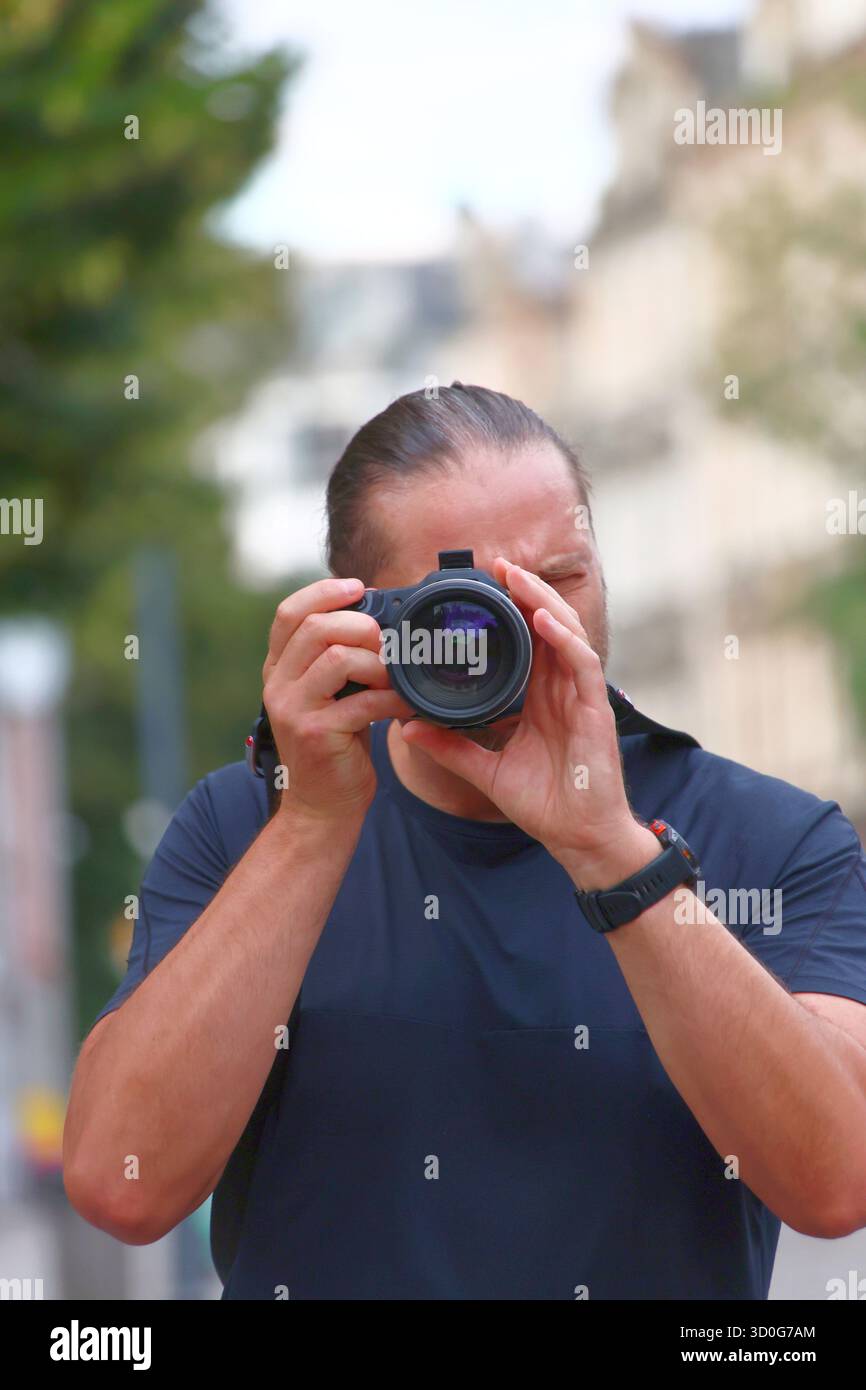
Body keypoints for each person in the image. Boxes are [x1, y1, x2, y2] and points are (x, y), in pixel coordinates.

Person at [64, 383, 866, 1300]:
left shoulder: (770, 836)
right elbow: (119, 1183)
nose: (532, 629)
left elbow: (839, 1183)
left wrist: (612, 853)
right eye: (471, 602)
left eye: (561, 580)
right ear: (363, 620)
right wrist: (314, 826)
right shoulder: (249, 824)